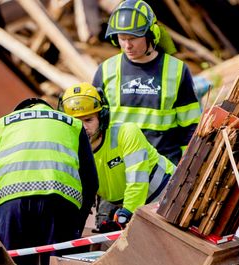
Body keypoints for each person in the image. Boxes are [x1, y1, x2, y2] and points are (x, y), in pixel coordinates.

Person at [0, 98, 98, 265]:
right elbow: (90, 180)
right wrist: (76, 224)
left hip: (12, 204)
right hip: (59, 201)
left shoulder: (2, 124)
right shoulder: (72, 124)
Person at [93, 0, 201, 166]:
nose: (127, 45)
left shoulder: (176, 70)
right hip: (120, 166)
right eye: (122, 38)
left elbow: (191, 126)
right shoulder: (106, 70)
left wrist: (190, 166)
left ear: (151, 34)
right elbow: (96, 123)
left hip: (165, 167)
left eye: (133, 38)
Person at [59, 82, 175, 231]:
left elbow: (137, 180)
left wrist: (127, 213)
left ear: (102, 117)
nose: (83, 128)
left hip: (169, 195)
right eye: (76, 122)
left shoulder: (126, 132)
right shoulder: (70, 149)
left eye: (88, 120)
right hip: (130, 205)